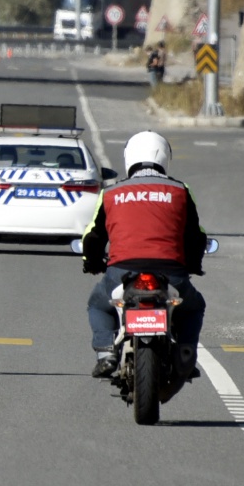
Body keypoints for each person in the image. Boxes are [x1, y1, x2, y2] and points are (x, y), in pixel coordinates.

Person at [81, 131, 208, 380]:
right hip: (172, 273)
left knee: (98, 304)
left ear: (129, 158)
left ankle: (106, 353)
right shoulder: (181, 190)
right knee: (194, 307)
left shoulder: (111, 193)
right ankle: (185, 351)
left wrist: (92, 263)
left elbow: (93, 237)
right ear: (165, 158)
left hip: (121, 272)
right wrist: (194, 265)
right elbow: (196, 236)